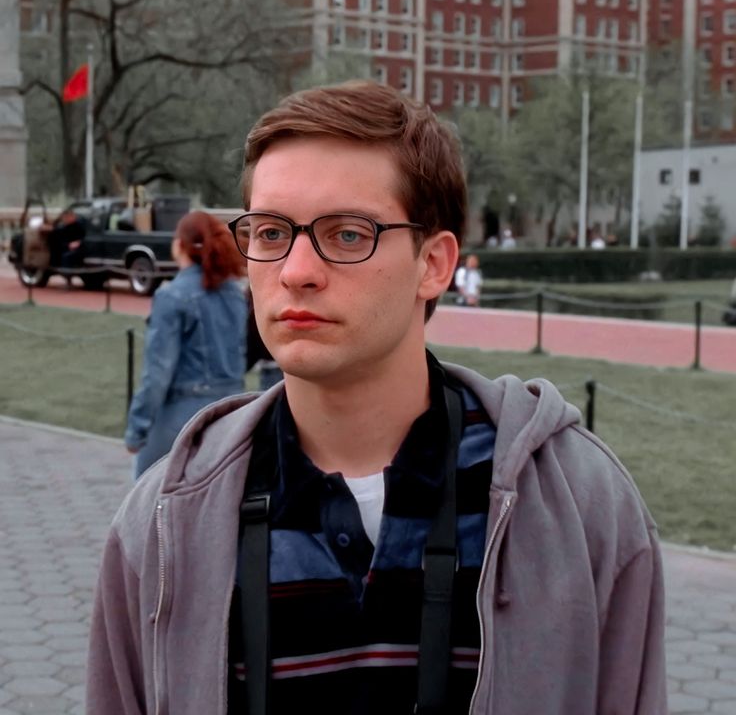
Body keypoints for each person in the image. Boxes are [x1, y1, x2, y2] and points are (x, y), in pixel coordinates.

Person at [87, 81, 667, 714]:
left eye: (346, 234)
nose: (296, 271)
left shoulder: (583, 509)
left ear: (434, 264)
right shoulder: (163, 525)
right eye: (272, 232)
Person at [124, 210, 246, 479]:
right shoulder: (234, 295)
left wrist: (137, 429)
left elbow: (157, 373)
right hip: (231, 413)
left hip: (181, 415)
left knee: (149, 503)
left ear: (180, 245)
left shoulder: (172, 296)